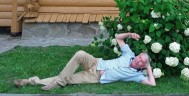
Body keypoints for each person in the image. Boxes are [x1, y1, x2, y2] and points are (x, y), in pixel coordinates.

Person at [13, 32, 156, 90]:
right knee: (80, 53)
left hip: (96, 76)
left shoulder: (137, 75)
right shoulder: (129, 53)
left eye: (141, 62)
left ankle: (30, 81)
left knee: (69, 78)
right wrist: (130, 34)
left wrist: (148, 67)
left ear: (143, 65)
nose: (137, 60)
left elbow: (152, 84)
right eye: (139, 57)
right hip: (95, 63)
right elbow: (118, 37)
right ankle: (59, 82)